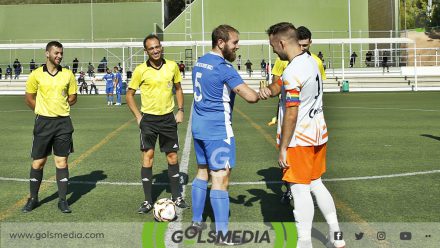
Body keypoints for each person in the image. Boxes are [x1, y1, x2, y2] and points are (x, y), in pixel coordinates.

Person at [259, 22, 345, 248]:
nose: (274, 50)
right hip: (318, 133)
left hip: (300, 138)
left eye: (273, 46)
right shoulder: (310, 61)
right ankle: (337, 236)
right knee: (317, 184)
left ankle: (304, 242)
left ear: (282, 42)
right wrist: (272, 88)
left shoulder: (293, 70)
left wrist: (284, 147)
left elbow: (291, 112)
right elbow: (284, 83)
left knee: (299, 190)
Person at [190, 24, 259, 244]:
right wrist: (265, 91)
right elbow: (250, 97)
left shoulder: (199, 62)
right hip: (217, 130)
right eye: (234, 42)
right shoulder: (224, 68)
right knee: (220, 178)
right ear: (221, 42)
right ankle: (221, 235)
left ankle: (196, 221)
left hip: (199, 128)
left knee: (202, 172)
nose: (237, 47)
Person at [126, 34, 188, 214]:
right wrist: (138, 116)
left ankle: (177, 196)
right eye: (151, 48)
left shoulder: (172, 66)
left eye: (157, 47)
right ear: (146, 51)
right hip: (149, 120)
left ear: (161, 47)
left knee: (172, 157)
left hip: (168, 118)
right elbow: (129, 94)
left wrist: (181, 110)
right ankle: (147, 201)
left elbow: (178, 89)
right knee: (148, 157)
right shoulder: (140, 70)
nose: (155, 50)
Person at [22, 41, 78, 214]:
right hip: (43, 123)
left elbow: (73, 97)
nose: (59, 56)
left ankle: (62, 200)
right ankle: (33, 199)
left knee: (61, 162)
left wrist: (61, 104)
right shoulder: (36, 75)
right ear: (47, 54)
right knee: (38, 162)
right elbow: (29, 97)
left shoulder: (68, 74)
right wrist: (41, 111)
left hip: (63, 123)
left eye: (61, 53)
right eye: (56, 53)